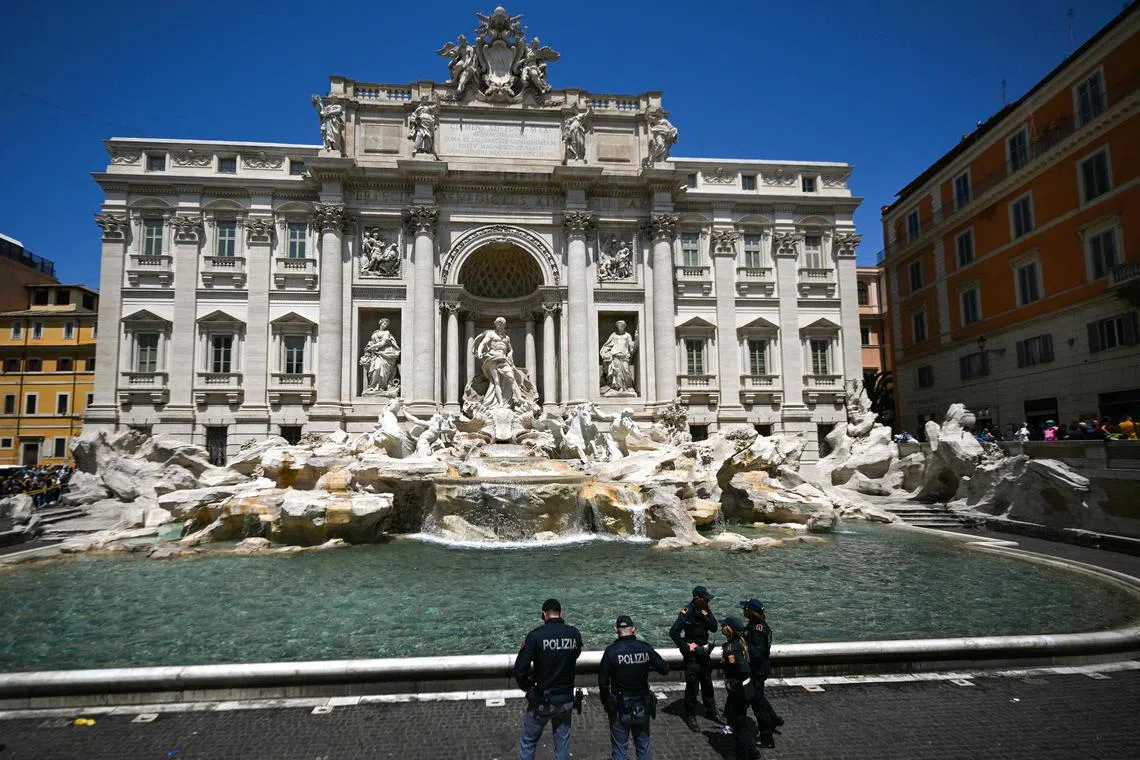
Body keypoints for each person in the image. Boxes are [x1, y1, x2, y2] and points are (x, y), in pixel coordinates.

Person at [514, 598, 583, 760]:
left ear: (543, 614)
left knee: (529, 741)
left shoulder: (535, 636)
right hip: (566, 698)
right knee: (562, 745)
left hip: (542, 699)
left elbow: (520, 668)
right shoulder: (574, 634)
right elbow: (576, 654)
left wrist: (528, 686)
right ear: (561, 613)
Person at [598, 614, 669, 760]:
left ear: (616, 630)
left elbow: (603, 681)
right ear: (634, 629)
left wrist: (605, 701)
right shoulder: (645, 648)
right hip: (642, 703)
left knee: (620, 748)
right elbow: (664, 669)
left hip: (619, 705)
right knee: (643, 745)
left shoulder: (611, 651)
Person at [669, 585, 723, 731]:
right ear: (697, 598)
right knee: (692, 685)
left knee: (707, 682)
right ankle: (690, 714)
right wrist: (686, 647)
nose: (707, 602)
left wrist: (707, 615)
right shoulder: (687, 612)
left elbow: (714, 628)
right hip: (692, 656)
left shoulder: (705, 609)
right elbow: (674, 632)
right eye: (705, 599)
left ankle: (711, 710)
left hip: (704, 654)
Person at [739, 599, 783, 749]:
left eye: (746, 608)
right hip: (760, 669)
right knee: (759, 697)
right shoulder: (757, 626)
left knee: (757, 705)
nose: (743, 610)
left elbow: (757, 652)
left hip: (756, 670)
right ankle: (774, 719)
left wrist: (744, 645)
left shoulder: (758, 629)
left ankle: (766, 738)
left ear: (751, 612)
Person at [719, 616, 760, 760]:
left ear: (728, 629)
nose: (721, 628)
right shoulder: (741, 643)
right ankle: (751, 749)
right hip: (746, 686)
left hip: (739, 689)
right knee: (739, 719)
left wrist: (736, 679)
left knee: (738, 723)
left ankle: (745, 752)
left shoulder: (731, 648)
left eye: (724, 626)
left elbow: (742, 668)